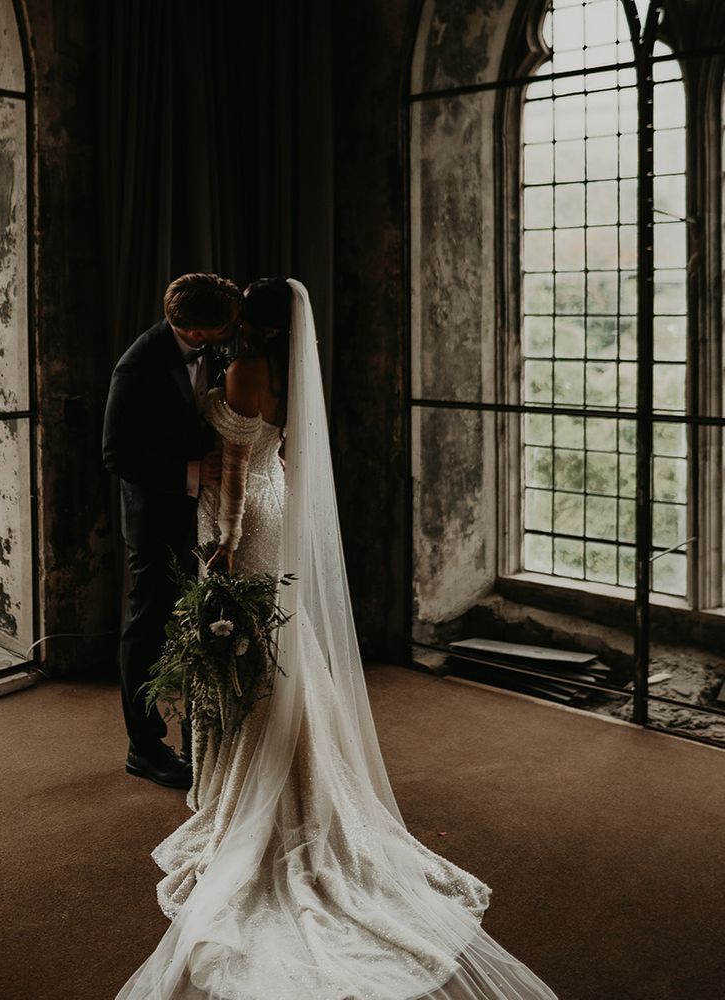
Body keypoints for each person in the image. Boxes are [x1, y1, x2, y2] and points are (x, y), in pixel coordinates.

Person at [116, 279, 560, 999]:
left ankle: (246, 782)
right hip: (276, 496)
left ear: (247, 325)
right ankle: (296, 761)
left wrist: (223, 546)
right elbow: (272, 454)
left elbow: (229, 467)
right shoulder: (294, 371)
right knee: (278, 646)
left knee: (246, 642)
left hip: (240, 515)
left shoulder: (241, 370)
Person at [103, 273, 240, 789]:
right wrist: (189, 472)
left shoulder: (218, 351)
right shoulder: (137, 367)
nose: (235, 330)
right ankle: (144, 746)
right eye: (226, 325)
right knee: (148, 623)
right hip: (157, 514)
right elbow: (116, 454)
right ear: (198, 331)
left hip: (205, 510)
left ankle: (205, 734)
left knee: (206, 620)